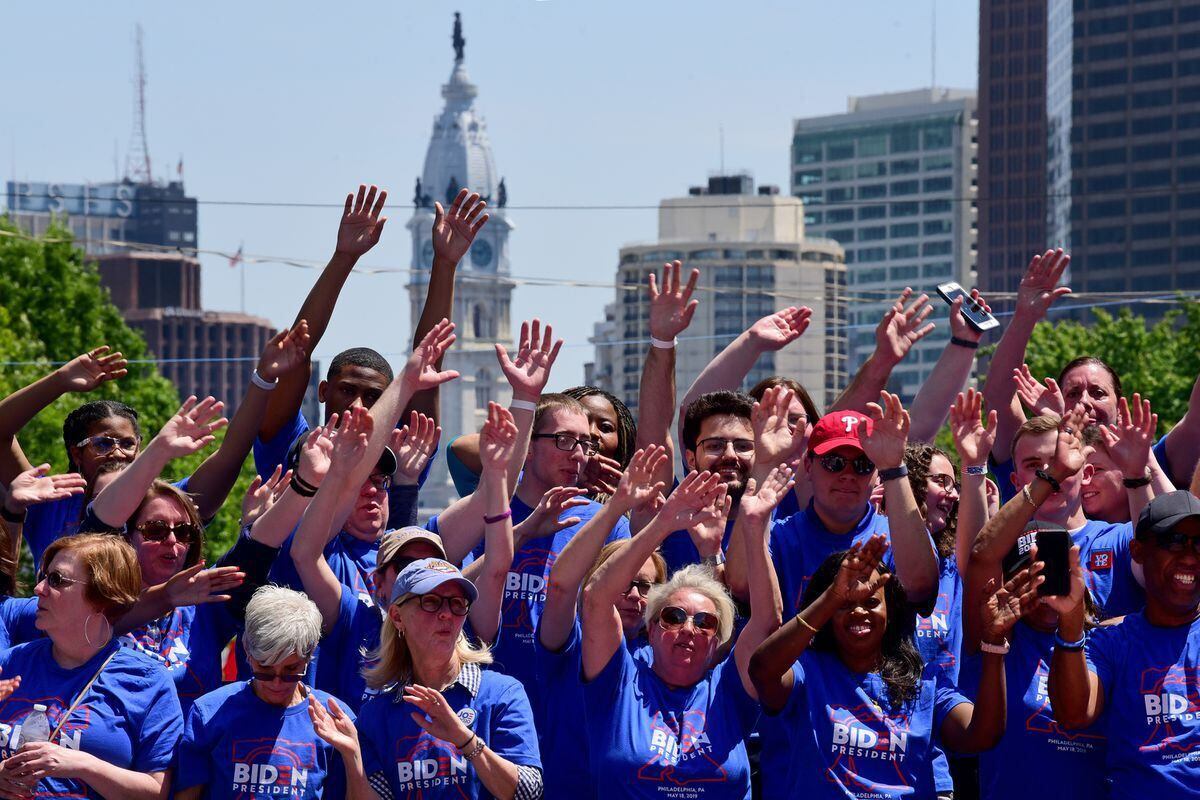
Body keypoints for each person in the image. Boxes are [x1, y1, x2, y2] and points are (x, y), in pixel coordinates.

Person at [748, 536, 1018, 799]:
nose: (859, 612)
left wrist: (994, 644)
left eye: (871, 602)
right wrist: (832, 596)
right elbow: (762, 671)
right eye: (844, 604)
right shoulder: (808, 671)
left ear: (890, 612)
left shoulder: (926, 682)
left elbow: (981, 735)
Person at [578, 465, 784, 799]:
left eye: (705, 623)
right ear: (651, 629)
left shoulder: (728, 689)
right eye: (673, 617)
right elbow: (595, 599)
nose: (689, 629)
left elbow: (767, 621)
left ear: (717, 641)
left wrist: (755, 527)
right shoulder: (620, 681)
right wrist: (664, 523)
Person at [309, 558, 543, 799]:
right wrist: (353, 759)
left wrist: (465, 740)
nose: (447, 614)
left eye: (457, 604)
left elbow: (528, 793)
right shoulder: (376, 716)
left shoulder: (502, 693)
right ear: (397, 616)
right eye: (431, 602)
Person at [0, 534, 181, 799]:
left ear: (103, 597)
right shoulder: (11, 663)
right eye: (43, 577)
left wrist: (83, 765)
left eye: (56, 580)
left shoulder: (147, 680)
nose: (39, 589)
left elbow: (157, 791)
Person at [535, 445, 671, 798]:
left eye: (646, 586)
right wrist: (617, 506)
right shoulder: (569, 642)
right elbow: (561, 585)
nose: (635, 595)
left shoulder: (665, 656)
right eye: (624, 583)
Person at [1048, 490, 1200, 799]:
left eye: (1199, 544)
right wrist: (1071, 621)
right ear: (1137, 551)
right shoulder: (1112, 641)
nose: (1189, 556)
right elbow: (1074, 714)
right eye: (1174, 541)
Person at [957, 528, 1107, 800]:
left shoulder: (1105, 645)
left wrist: (1072, 619)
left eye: (1052, 573)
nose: (1043, 587)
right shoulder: (996, 640)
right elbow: (981, 555)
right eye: (1031, 576)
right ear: (1010, 583)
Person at [966, 409, 1145, 625]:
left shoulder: (1121, 538)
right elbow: (975, 559)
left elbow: (1155, 567)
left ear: (1086, 473)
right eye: (1033, 465)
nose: (1050, 471)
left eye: (1057, 460)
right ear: (1016, 482)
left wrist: (1139, 475)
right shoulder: (1004, 548)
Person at [176, 586, 354, 800]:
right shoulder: (209, 713)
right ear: (247, 651)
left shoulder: (334, 719)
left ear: (309, 656)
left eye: (291, 670)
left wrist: (352, 755)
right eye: (265, 669)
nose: (277, 683)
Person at [0, 465, 86, 651]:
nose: (39, 588)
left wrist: (13, 509)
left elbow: (97, 614)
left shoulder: (8, 612)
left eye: (55, 579)